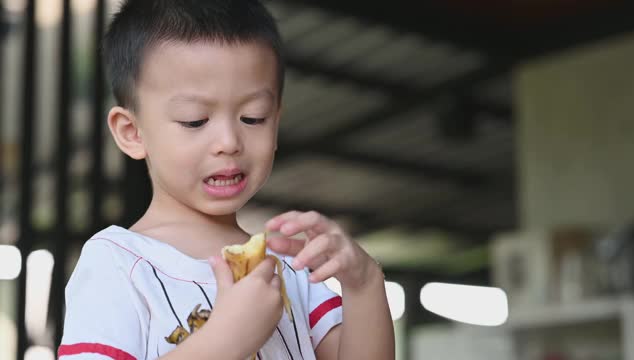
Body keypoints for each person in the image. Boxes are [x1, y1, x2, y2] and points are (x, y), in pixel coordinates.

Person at [57, 0, 395, 359]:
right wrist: (225, 339)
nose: (229, 143)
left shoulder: (290, 274)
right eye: (194, 120)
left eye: (253, 118)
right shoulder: (119, 265)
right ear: (132, 132)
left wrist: (364, 284)